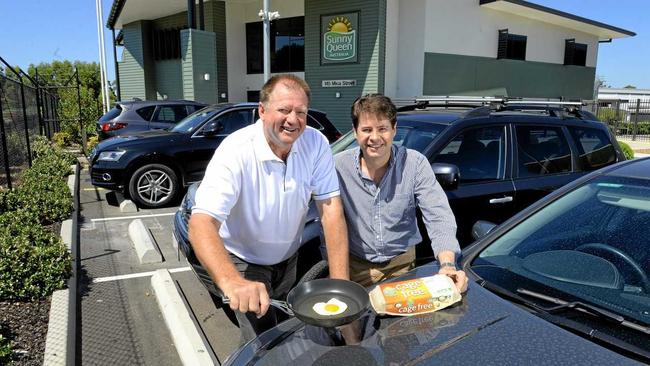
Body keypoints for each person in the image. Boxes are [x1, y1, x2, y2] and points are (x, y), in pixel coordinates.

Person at [188, 74, 349, 342]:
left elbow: (331, 211)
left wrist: (341, 285)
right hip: (244, 261)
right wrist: (233, 282)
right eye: (284, 110)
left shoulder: (316, 143)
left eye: (301, 112)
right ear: (261, 111)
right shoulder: (235, 150)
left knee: (282, 332)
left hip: (288, 258)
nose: (293, 119)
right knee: (261, 342)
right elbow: (201, 223)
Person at [334, 94, 467, 292]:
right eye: (367, 130)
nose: (375, 138)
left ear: (394, 129)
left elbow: (438, 215)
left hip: (403, 268)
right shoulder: (337, 166)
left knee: (402, 323)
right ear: (355, 132)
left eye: (382, 129)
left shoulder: (415, 164)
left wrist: (447, 265)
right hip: (354, 268)